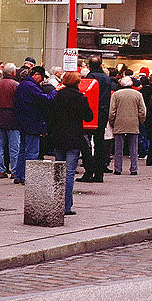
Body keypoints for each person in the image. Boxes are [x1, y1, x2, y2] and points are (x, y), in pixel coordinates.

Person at [47, 71, 93, 216]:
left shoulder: (57, 97)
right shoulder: (80, 98)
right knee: (69, 173)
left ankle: (57, 202)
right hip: (74, 138)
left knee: (59, 171)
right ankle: (67, 206)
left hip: (59, 137)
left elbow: (50, 117)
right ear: (77, 82)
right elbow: (89, 116)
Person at [12, 66, 56, 184]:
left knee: (22, 150)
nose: (41, 80)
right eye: (41, 77)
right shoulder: (31, 86)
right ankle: (27, 177)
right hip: (32, 123)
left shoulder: (22, 85)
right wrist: (54, 92)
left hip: (23, 122)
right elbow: (45, 99)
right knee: (32, 151)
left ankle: (19, 175)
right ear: (36, 74)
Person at [79, 56, 111, 183]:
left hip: (91, 112)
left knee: (86, 143)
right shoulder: (107, 79)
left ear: (89, 66)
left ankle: (89, 171)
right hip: (102, 113)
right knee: (100, 142)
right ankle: (99, 172)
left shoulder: (90, 78)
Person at [108, 75, 146, 175]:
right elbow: (142, 111)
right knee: (133, 149)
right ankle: (134, 169)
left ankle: (118, 169)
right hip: (133, 123)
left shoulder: (116, 94)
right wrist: (139, 121)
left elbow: (112, 111)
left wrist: (112, 122)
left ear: (121, 84)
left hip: (119, 123)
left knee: (118, 149)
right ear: (132, 84)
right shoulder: (138, 94)